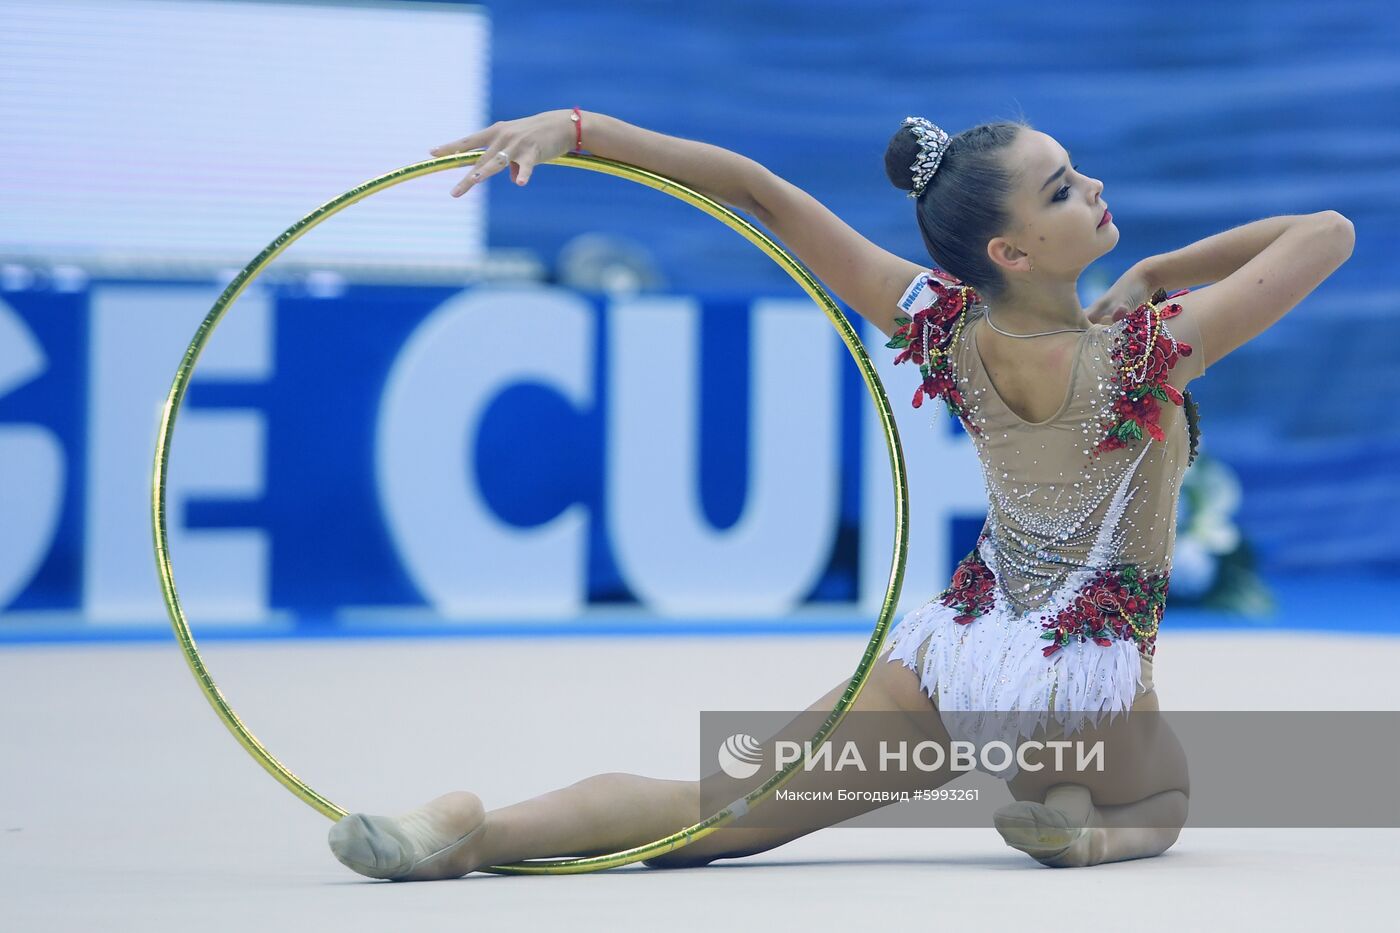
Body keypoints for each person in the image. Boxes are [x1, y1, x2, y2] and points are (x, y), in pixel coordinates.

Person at [325, 110, 1355, 880]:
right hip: (1074, 693)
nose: (1089, 188)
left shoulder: (941, 326)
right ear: (1009, 251)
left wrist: (578, 130)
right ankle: (1086, 832)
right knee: (1168, 802)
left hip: (950, 661)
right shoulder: (1148, 351)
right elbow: (1324, 232)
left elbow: (760, 193)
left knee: (714, 810)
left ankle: (471, 829)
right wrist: (1161, 268)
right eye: (1059, 191)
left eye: (1073, 171)